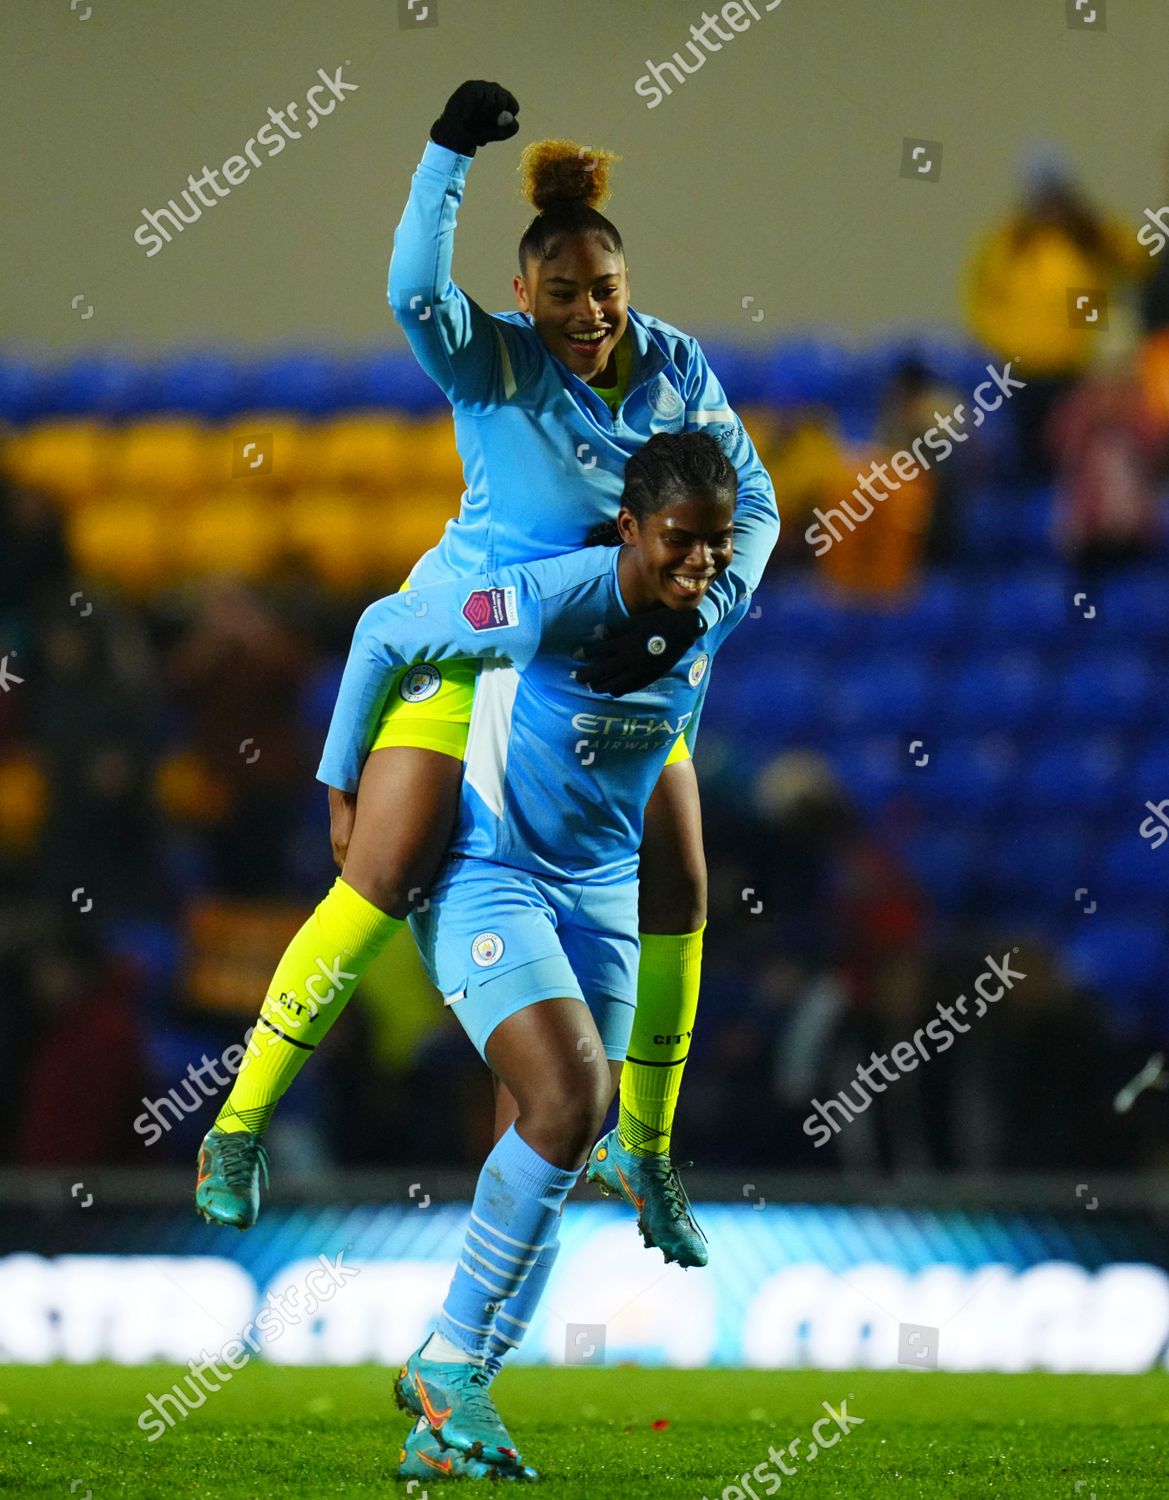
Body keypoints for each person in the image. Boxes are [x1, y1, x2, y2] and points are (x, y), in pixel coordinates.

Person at [197, 81, 779, 1263]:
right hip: (481, 644)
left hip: (619, 663)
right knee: (387, 866)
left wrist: (698, 617)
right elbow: (412, 291)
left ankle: (643, 1153)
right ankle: (240, 1123)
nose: (585, 315)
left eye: (603, 291)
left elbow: (752, 504)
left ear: (629, 284)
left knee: (677, 883)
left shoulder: (677, 370)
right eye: (560, 294)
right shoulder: (495, 366)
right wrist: (443, 156)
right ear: (522, 295)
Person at [295, 433, 746, 1480]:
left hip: (594, 896)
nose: (701, 564)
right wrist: (341, 780)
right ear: (629, 527)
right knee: (570, 1099)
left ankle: (446, 1422)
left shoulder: (708, 606)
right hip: (489, 871)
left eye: (717, 545)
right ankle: (447, 1362)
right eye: (680, 541)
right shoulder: (544, 597)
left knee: (557, 1144)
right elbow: (389, 628)